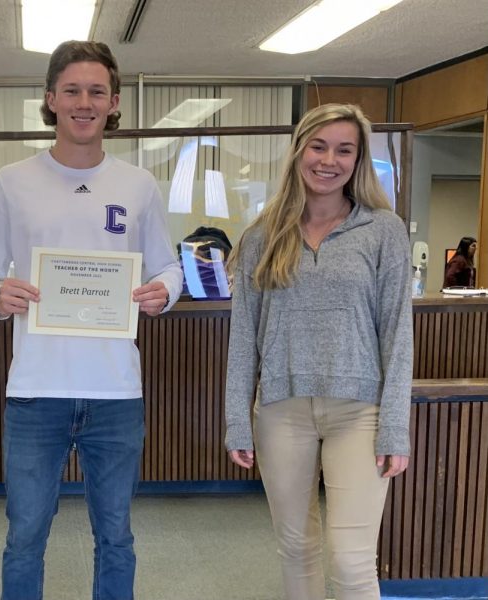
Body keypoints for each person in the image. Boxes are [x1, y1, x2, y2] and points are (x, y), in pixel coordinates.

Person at [0, 40, 183, 600]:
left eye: (97, 91)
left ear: (113, 103)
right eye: (72, 90)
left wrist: (164, 291)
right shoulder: (14, 180)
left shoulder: (138, 186)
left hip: (115, 393)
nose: (84, 102)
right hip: (37, 391)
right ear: (50, 99)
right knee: (25, 537)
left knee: (116, 537)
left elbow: (166, 265)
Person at [224, 103, 412, 600]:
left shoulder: (384, 231)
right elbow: (244, 338)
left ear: (358, 160)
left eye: (344, 150)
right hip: (282, 413)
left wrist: (396, 426)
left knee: (352, 564)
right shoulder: (262, 236)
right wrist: (236, 421)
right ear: (299, 152)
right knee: (297, 550)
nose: (329, 160)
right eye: (319, 146)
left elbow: (398, 335)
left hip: (360, 414)